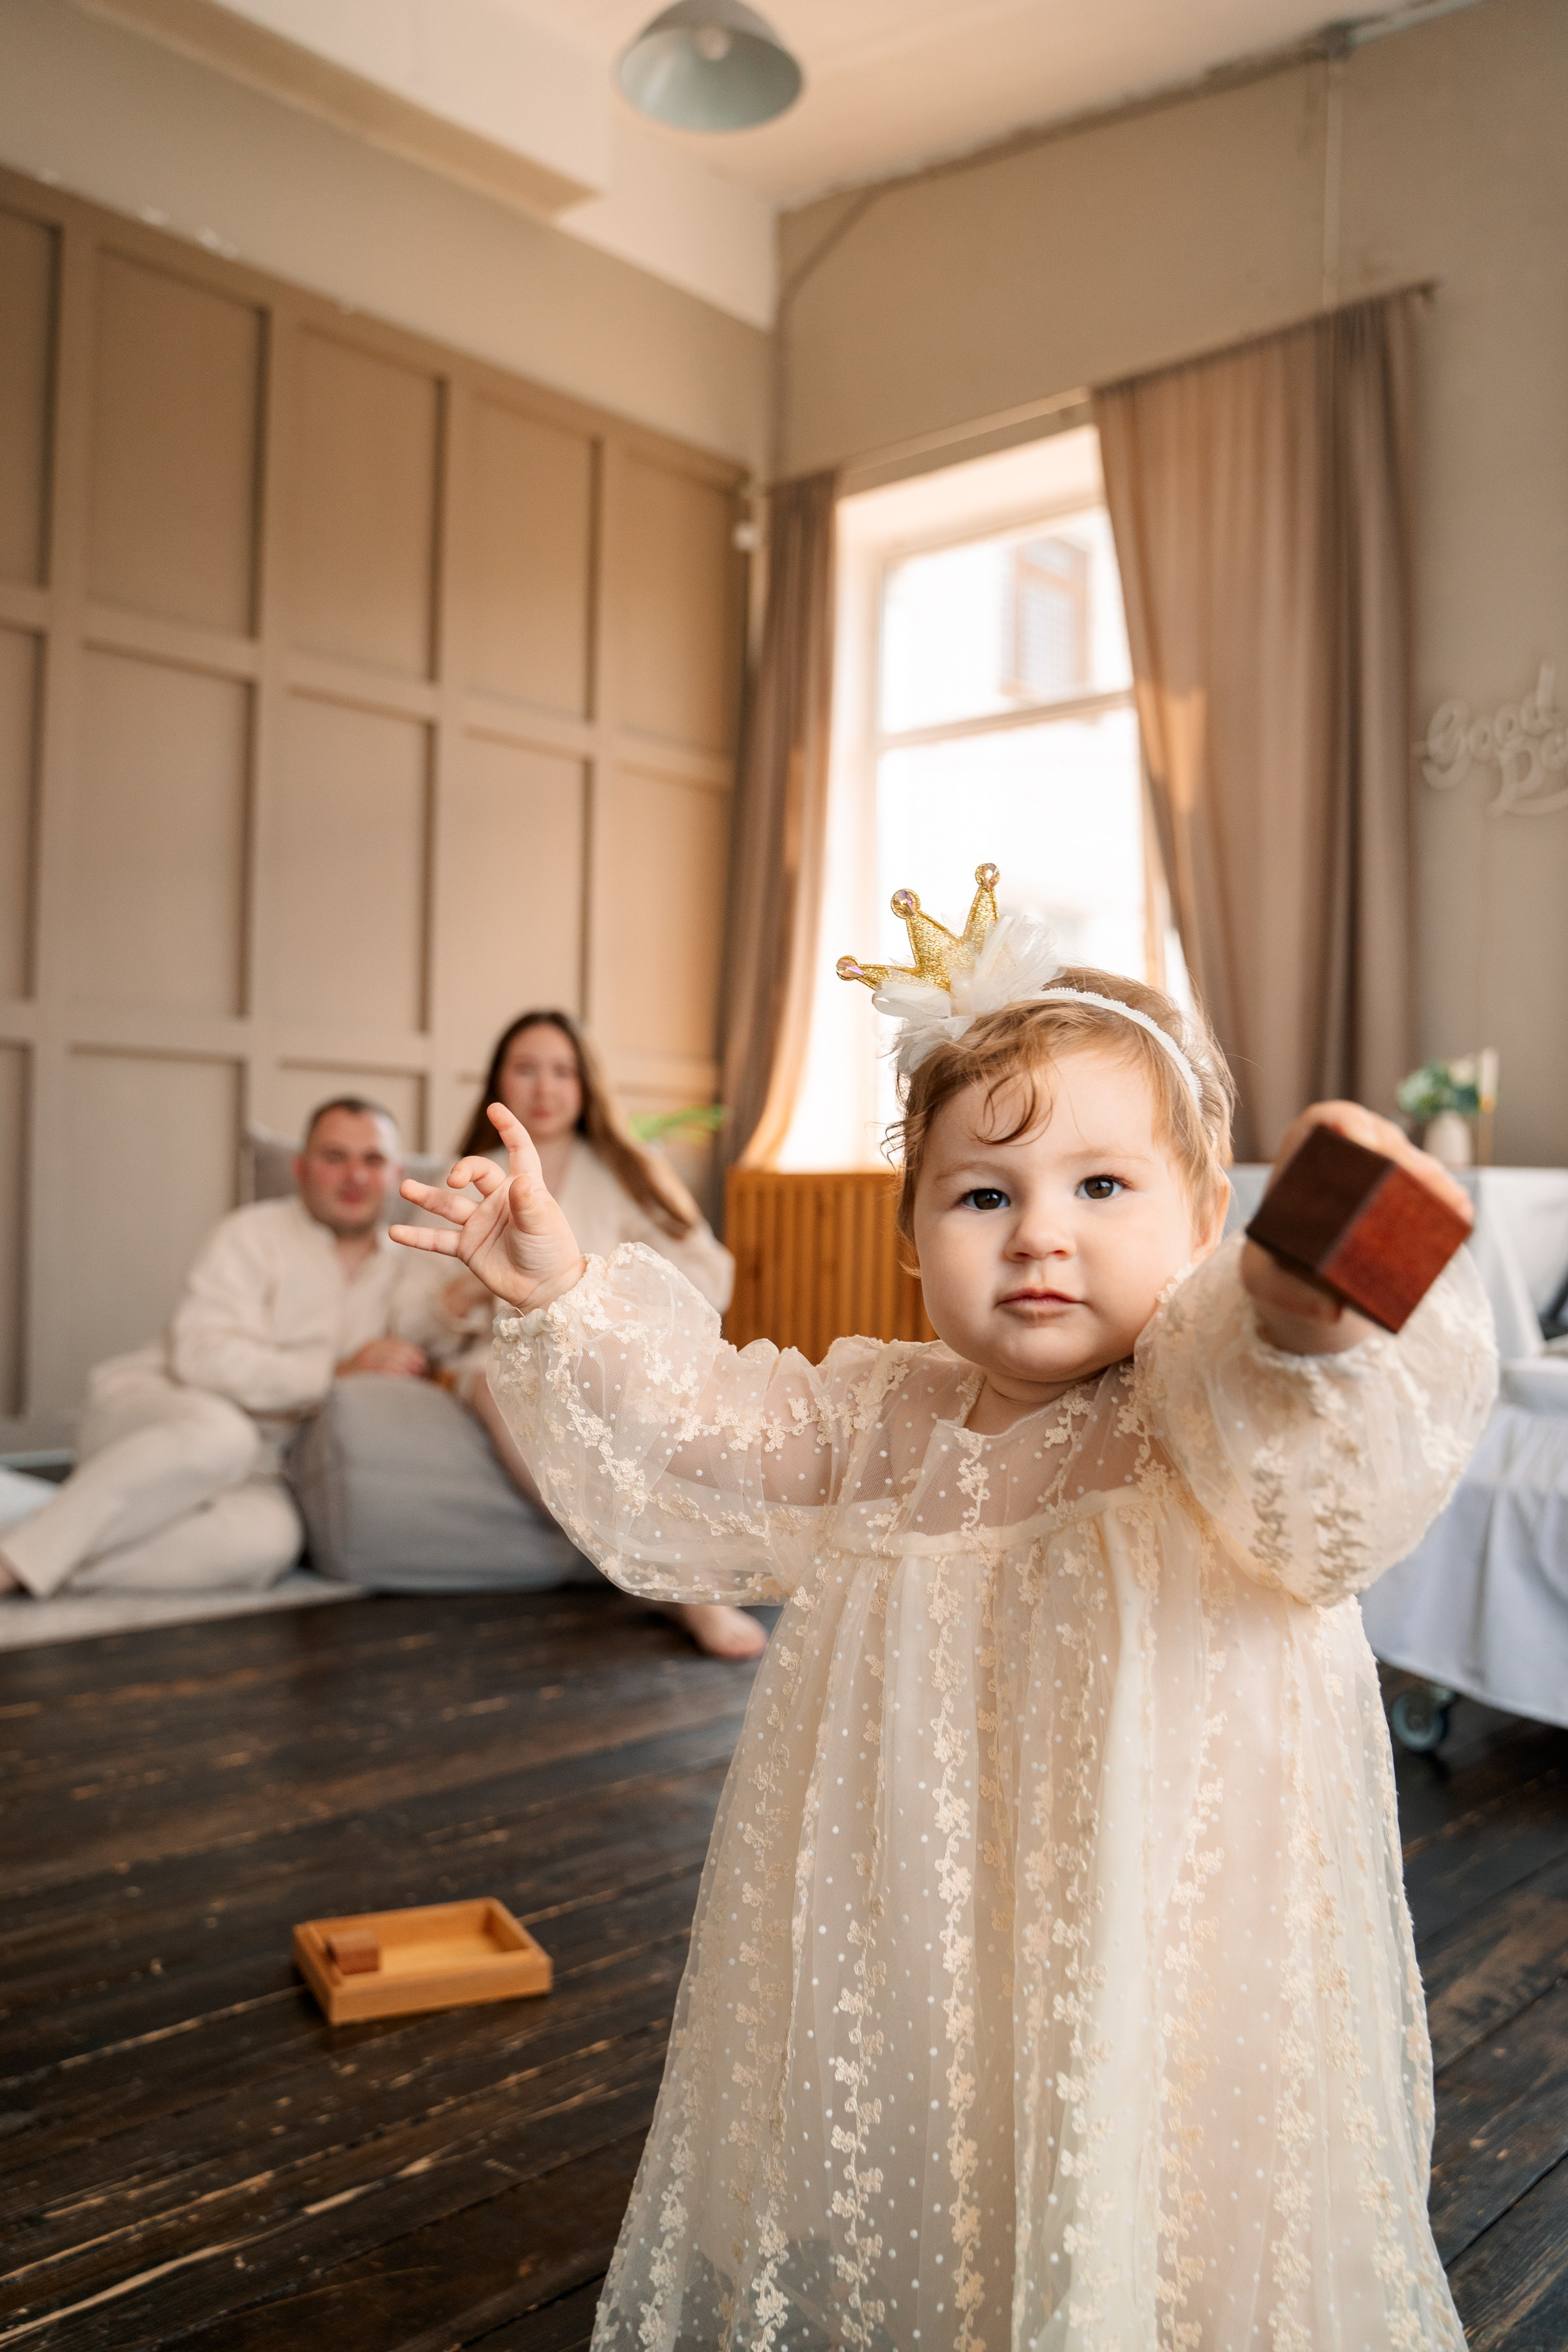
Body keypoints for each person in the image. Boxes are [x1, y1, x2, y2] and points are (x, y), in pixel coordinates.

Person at [391, 875, 1497, 2347]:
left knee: (1153, 2187)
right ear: (914, 1238)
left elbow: (1308, 1459)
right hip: (929, 1911)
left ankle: (1326, 1267)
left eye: (1101, 1189)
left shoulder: (1189, 1397)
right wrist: (563, 1292)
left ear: (1204, 1221)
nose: (1038, 1235)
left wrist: (1294, 1313)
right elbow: (704, 1422)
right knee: (958, 2164)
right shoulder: (887, 1413)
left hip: (1153, 1921)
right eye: (985, 1195)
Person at [0, 1099, 442, 1598]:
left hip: (266, 1464)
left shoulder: (412, 1266)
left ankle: (45, 1557)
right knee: (221, 1436)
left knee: (269, 1542)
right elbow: (203, 1358)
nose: (355, 1176)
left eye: (373, 1160)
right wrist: (336, 1372)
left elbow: (441, 1328)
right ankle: (16, 1562)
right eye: (335, 1157)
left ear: (397, 1174)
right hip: (159, 1415)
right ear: (301, 1167)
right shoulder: (249, 1233)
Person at [438, 1008, 763, 1662]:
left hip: (602, 1344)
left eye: (562, 1071)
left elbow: (706, 1271)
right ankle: (682, 1587)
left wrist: (595, 1290)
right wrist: (475, 1288)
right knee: (509, 1386)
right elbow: (419, 1306)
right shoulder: (469, 1173)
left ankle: (683, 1560)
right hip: (494, 1352)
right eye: (526, 1070)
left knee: (617, 1387)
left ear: (586, 1084)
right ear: (499, 1081)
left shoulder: (629, 1169)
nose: (544, 1088)